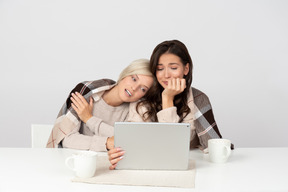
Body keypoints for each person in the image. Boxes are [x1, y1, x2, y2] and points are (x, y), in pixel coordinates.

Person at [108, 40, 233, 169]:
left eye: (173, 68)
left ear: (186, 69)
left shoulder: (198, 99)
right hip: (147, 164)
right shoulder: (142, 99)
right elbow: (135, 142)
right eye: (160, 69)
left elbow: (174, 146)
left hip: (186, 166)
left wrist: (167, 98)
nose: (166, 75)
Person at [46, 59, 154, 151]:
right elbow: (67, 139)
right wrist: (106, 143)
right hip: (78, 163)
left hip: (110, 167)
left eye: (143, 89)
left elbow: (129, 141)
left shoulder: (135, 111)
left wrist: (89, 119)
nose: (134, 88)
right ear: (125, 74)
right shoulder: (86, 93)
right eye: (134, 79)